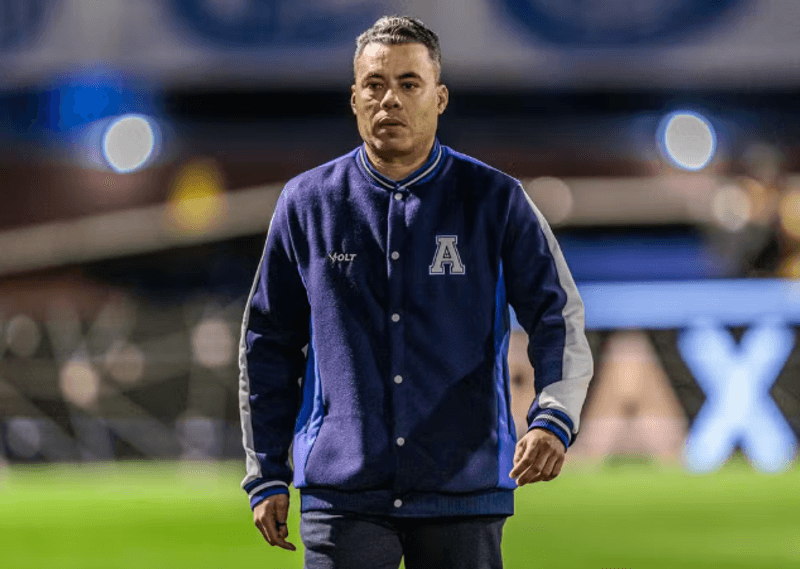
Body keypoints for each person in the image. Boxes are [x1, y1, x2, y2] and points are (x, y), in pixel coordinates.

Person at [239, 15, 594, 569]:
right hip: (343, 496)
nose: (390, 100)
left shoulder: (495, 198)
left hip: (464, 489)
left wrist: (553, 416)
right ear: (354, 99)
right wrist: (266, 472)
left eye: (409, 83)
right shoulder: (306, 203)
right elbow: (268, 342)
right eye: (374, 85)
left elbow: (559, 314)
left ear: (440, 98)